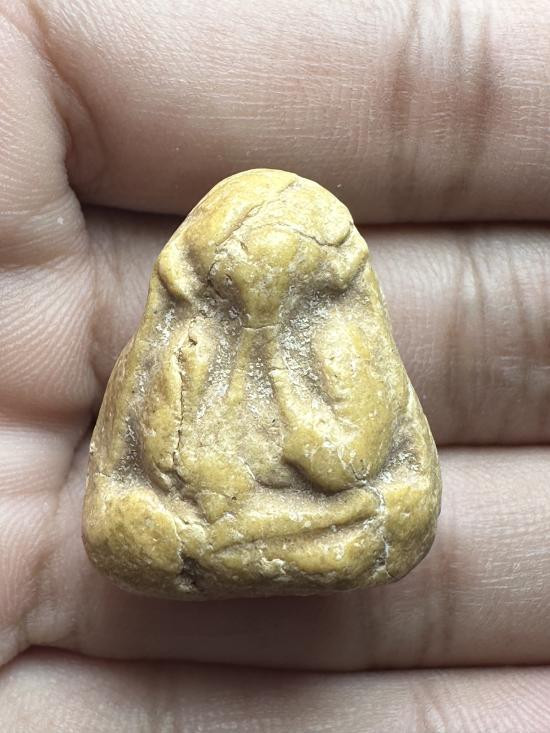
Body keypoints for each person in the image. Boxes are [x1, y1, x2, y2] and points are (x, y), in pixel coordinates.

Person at [0, 1, 548, 730]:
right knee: (129, 530)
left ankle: (243, 548)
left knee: (400, 511)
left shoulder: (341, 340)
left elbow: (353, 461)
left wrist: (278, 377)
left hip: (319, 515)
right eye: (236, 287)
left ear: (321, 282)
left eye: (287, 287)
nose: (261, 306)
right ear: (202, 278)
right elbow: (158, 469)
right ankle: (239, 549)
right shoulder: (185, 339)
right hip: (229, 522)